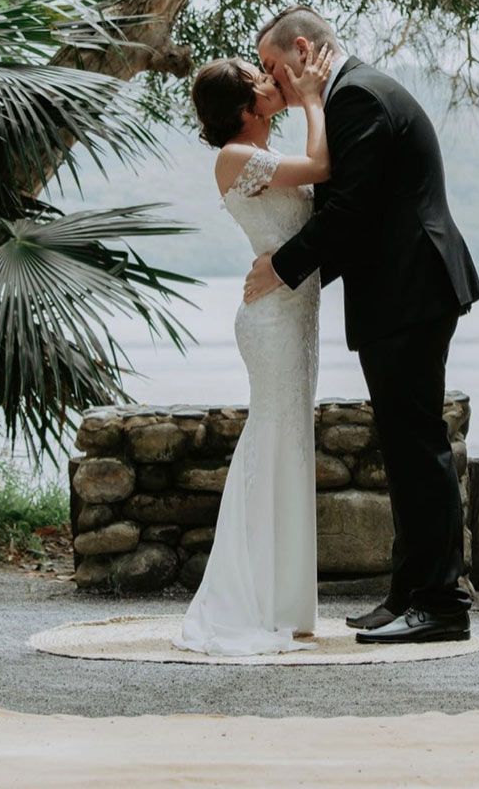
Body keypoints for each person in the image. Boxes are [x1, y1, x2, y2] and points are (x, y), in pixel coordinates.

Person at [245, 5, 479, 645]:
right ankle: (409, 591)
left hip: (411, 291)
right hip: (403, 293)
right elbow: (355, 209)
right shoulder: (351, 93)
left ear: (301, 50)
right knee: (405, 449)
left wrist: (281, 267)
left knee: (418, 449)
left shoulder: (357, 99)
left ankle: (440, 603)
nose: (274, 83)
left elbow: (349, 212)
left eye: (273, 68)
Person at [174, 43, 334, 656]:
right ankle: (250, 599)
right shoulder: (237, 156)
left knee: (290, 441)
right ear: (244, 105)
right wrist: (314, 98)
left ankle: (286, 602)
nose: (269, 79)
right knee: (273, 438)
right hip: (271, 321)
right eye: (256, 77)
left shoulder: (262, 153)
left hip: (296, 313)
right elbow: (321, 168)